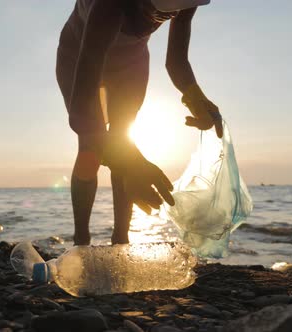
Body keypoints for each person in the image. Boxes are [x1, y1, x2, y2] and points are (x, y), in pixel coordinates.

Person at [56, 0, 223, 245]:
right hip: (80, 54)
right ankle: (81, 239)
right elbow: (82, 115)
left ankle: (121, 241)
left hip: (131, 62)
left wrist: (195, 97)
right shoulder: (108, 6)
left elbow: (176, 60)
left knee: (123, 139)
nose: (159, 16)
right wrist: (131, 164)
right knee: (90, 149)